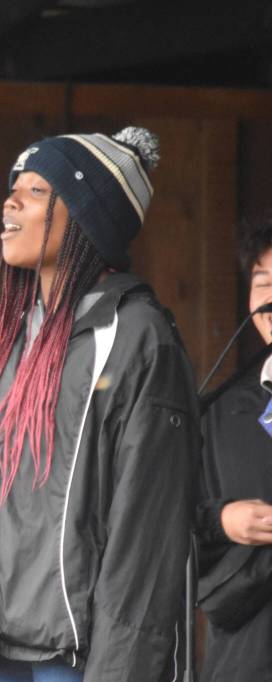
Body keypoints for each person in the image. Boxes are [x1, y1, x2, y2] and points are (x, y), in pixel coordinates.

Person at [0, 128, 199, 681]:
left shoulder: (139, 337)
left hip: (80, 660)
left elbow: (146, 538)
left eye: (37, 190)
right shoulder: (4, 347)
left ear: (89, 217)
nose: (11, 200)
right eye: (12, 188)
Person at [195, 219, 272, 681]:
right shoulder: (220, 411)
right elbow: (169, 524)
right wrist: (223, 521)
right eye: (262, 284)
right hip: (246, 661)